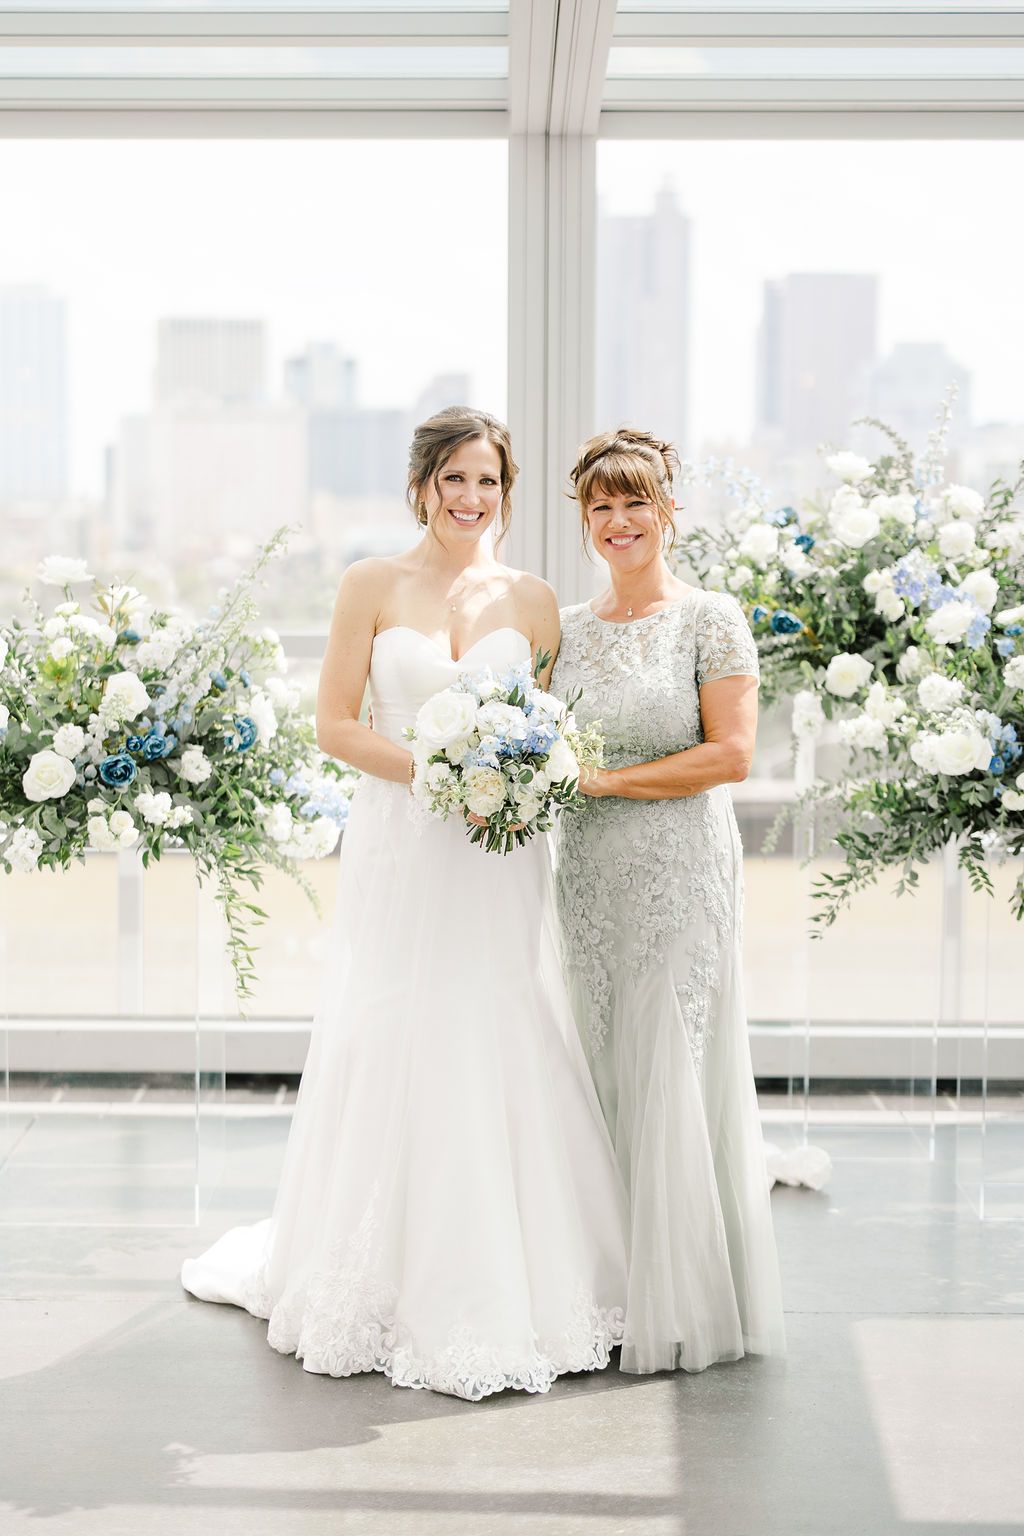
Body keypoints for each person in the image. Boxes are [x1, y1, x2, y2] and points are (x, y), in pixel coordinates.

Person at [182, 407, 628, 1400]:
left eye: (489, 483)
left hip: (498, 853)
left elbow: (546, 730)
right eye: (454, 480)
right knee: (397, 1023)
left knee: (500, 1016)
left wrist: (509, 778)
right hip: (404, 840)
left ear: (507, 495)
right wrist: (440, 769)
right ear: (422, 485)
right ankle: (379, 1273)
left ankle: (526, 1272)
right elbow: (335, 724)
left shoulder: (536, 599)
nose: (472, 499)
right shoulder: (370, 585)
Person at [551, 426, 787, 1375]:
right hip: (586, 878)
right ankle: (608, 1290)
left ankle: (681, 1293)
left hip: (679, 873)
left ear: (668, 512)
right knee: (596, 1052)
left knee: (670, 1059)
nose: (618, 521)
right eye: (600, 507)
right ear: (583, 521)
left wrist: (603, 784)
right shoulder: (563, 631)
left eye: (634, 502)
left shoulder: (710, 618)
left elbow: (731, 754)